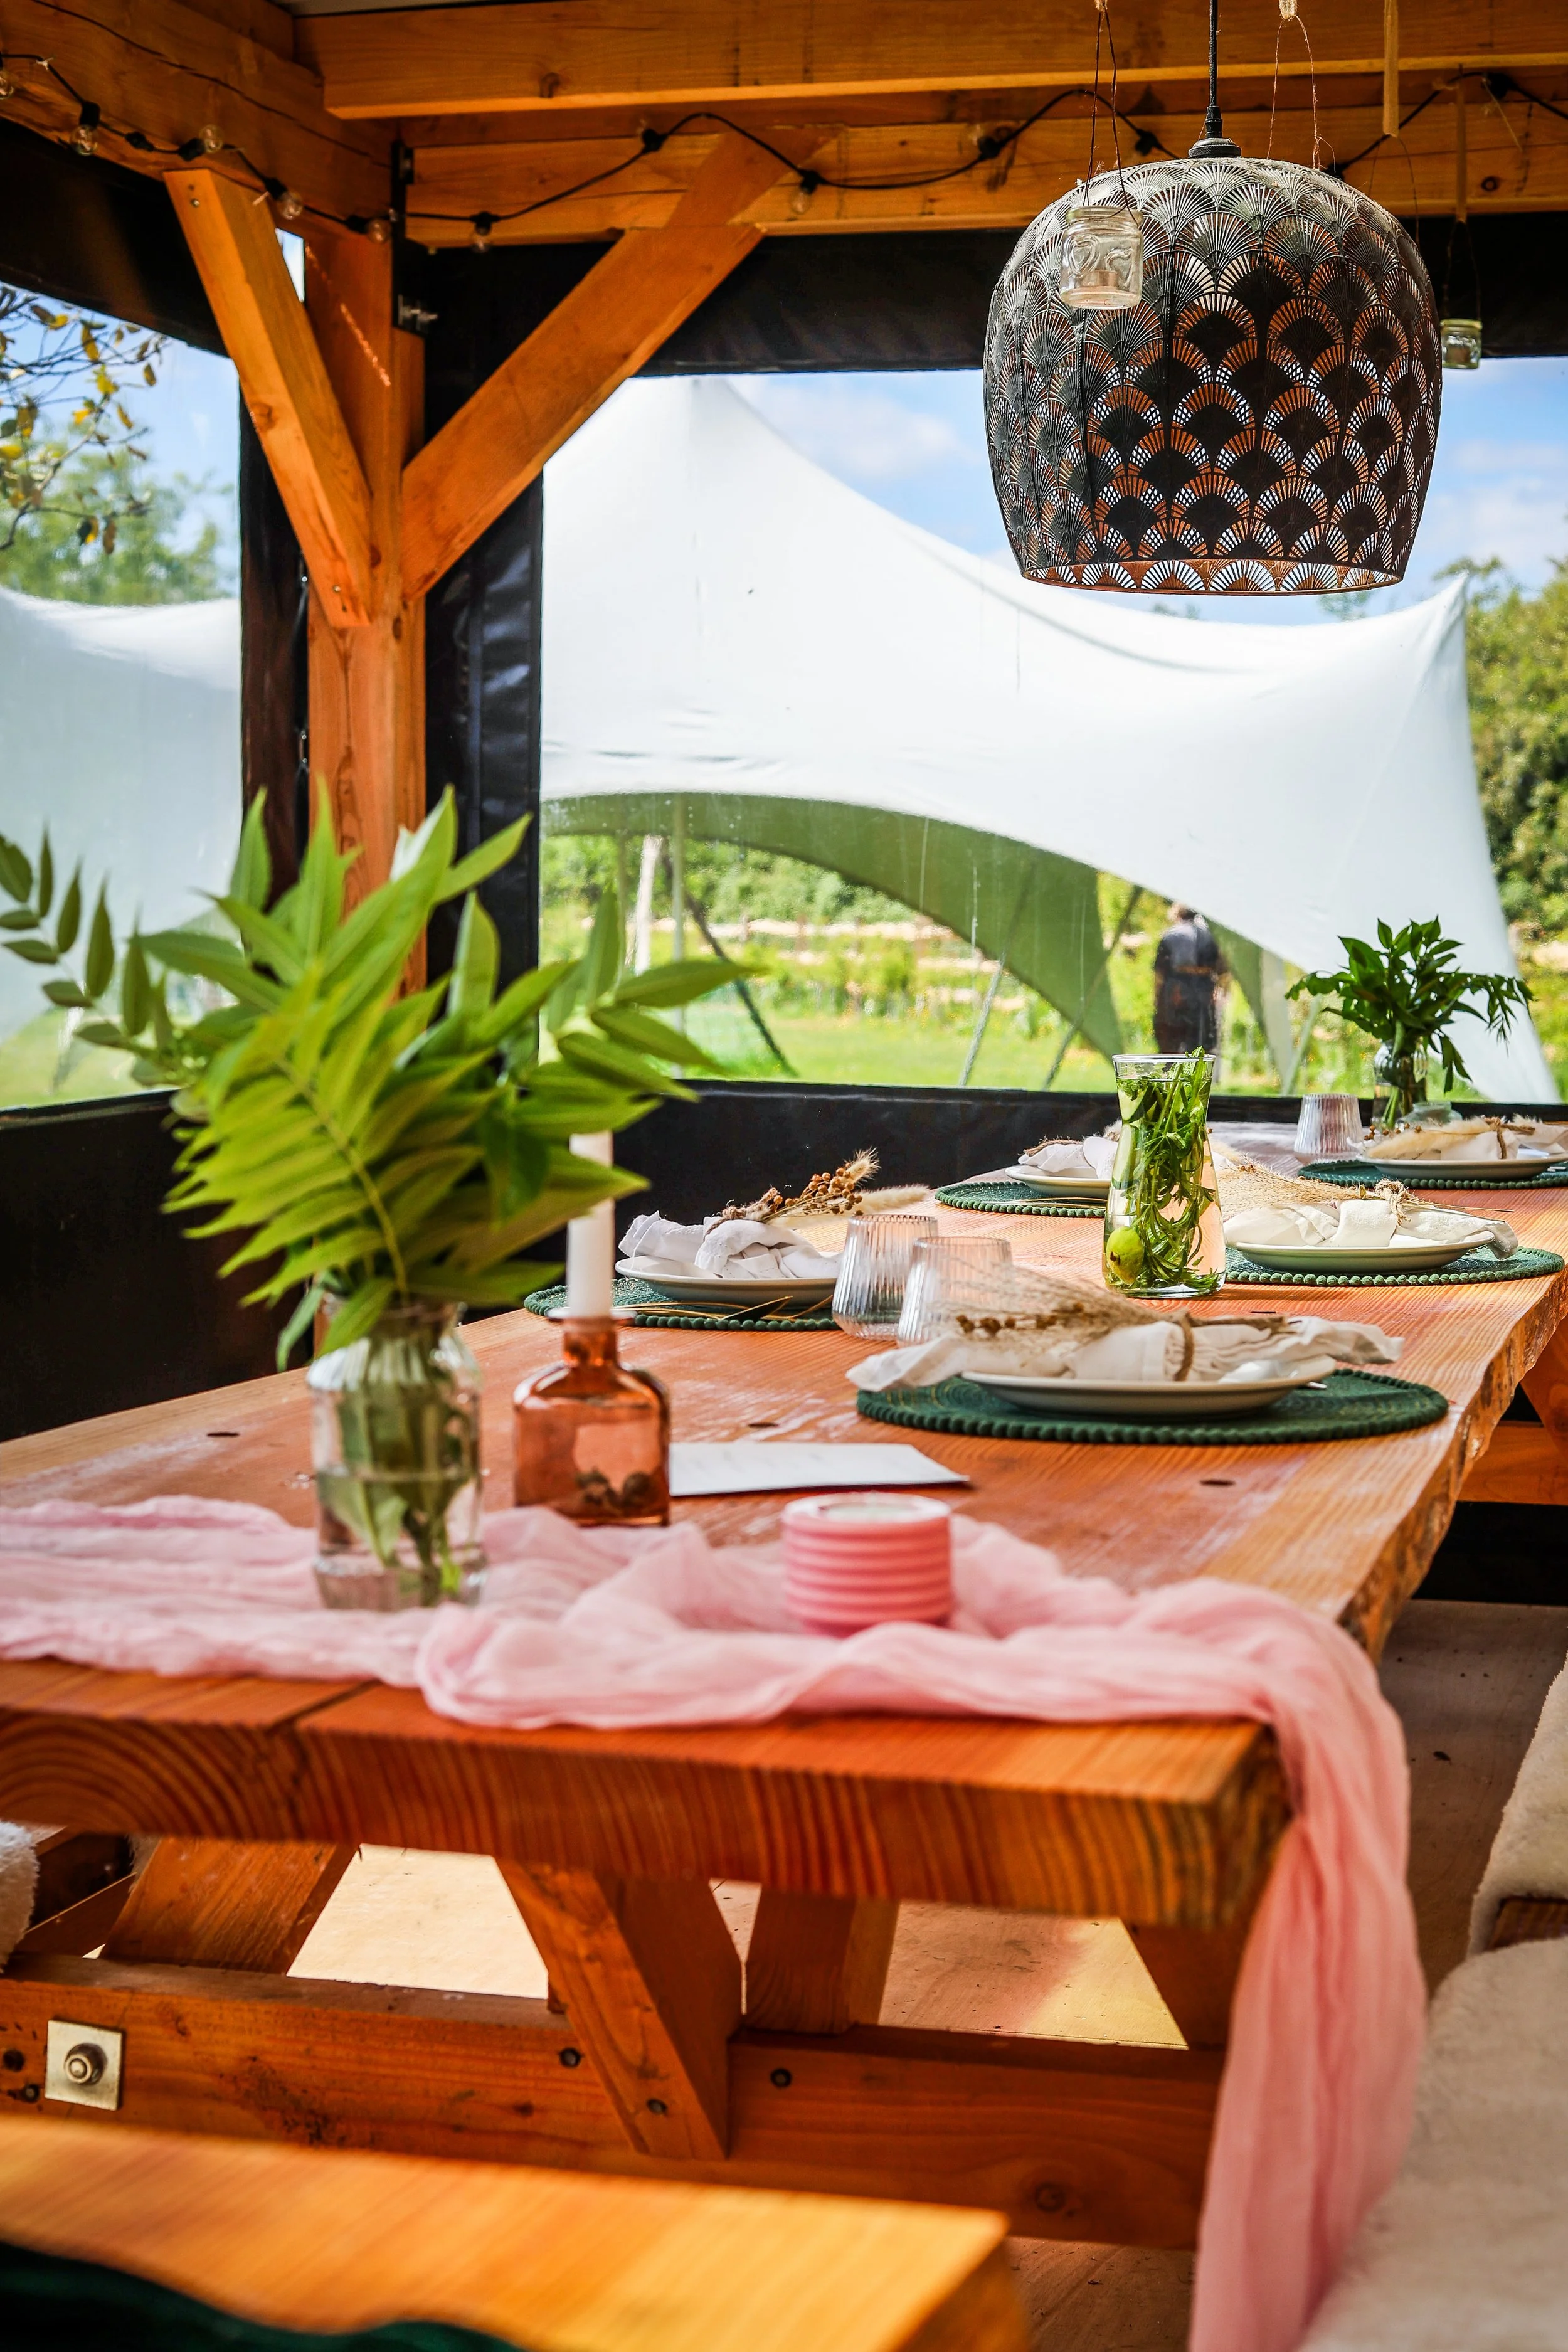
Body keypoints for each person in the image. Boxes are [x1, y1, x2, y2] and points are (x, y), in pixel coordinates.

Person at [1153, 904, 1226, 1055]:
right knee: (1201, 1046)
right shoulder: (1212, 935)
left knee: (1171, 1042)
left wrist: (1157, 1000)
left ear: (1179, 915)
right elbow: (1222, 972)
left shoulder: (1170, 935)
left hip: (1176, 990)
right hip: (1204, 991)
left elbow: (1159, 975)